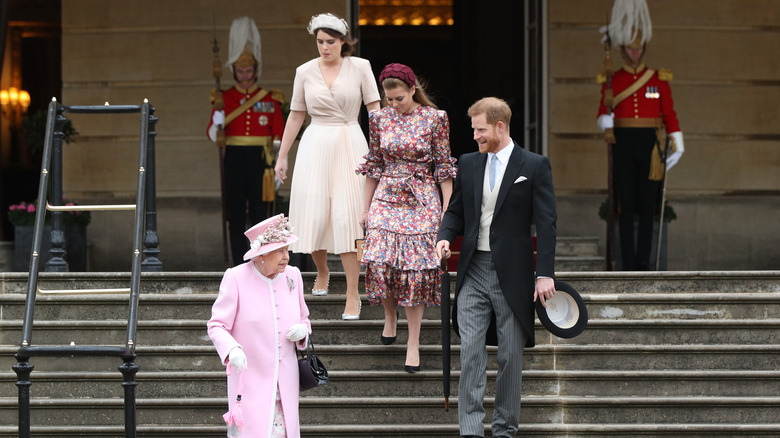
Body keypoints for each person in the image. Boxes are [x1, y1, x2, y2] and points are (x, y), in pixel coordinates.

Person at [435, 97, 557, 437]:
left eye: (480, 130)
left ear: (500, 126)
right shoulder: (469, 163)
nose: (475, 136)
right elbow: (456, 211)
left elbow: (547, 224)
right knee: (471, 354)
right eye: (474, 130)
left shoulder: (534, 165)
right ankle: (471, 431)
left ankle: (504, 430)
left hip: (513, 275)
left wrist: (545, 273)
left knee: (509, 358)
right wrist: (445, 236)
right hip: (473, 271)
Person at [274, 12, 380, 319]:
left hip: (350, 139)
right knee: (315, 213)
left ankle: (352, 292)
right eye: (320, 41)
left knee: (348, 218)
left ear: (344, 41)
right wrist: (282, 155)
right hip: (315, 142)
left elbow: (374, 110)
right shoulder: (304, 71)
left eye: (330, 42)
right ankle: (322, 271)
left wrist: (380, 150)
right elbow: (296, 114)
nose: (324, 47)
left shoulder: (360, 67)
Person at [357, 63, 456, 372]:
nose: (394, 105)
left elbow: (443, 167)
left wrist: (446, 210)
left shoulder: (435, 119)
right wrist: (365, 208)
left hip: (422, 196)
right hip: (386, 194)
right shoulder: (378, 119)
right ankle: (390, 315)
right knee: (380, 260)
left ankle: (413, 342)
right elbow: (374, 165)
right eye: (389, 99)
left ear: (413, 90)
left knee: (415, 270)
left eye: (399, 98)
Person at [597, 0, 684, 270]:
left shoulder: (658, 78)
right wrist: (605, 120)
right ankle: (628, 263)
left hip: (649, 145)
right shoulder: (613, 79)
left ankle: (645, 261)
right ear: (623, 49)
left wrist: (677, 142)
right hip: (623, 143)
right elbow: (602, 110)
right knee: (625, 205)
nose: (635, 52)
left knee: (648, 205)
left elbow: (668, 112)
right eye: (631, 48)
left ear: (643, 47)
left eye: (639, 47)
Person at [207, 213, 311, 437]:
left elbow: (304, 318)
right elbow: (216, 325)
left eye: (287, 250)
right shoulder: (235, 278)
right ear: (261, 255)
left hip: (286, 381)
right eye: (280, 251)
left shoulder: (293, 276)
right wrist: (231, 348)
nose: (287, 257)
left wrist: (303, 332)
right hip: (250, 381)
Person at [208, 16, 285, 266]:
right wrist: (218, 120)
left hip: (261, 161)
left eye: (248, 71)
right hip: (234, 158)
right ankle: (240, 262)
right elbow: (211, 134)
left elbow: (279, 136)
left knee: (262, 215)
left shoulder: (270, 99)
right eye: (240, 71)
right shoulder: (224, 97)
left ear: (255, 70)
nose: (244, 75)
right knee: (236, 214)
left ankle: (262, 260)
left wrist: (277, 166)